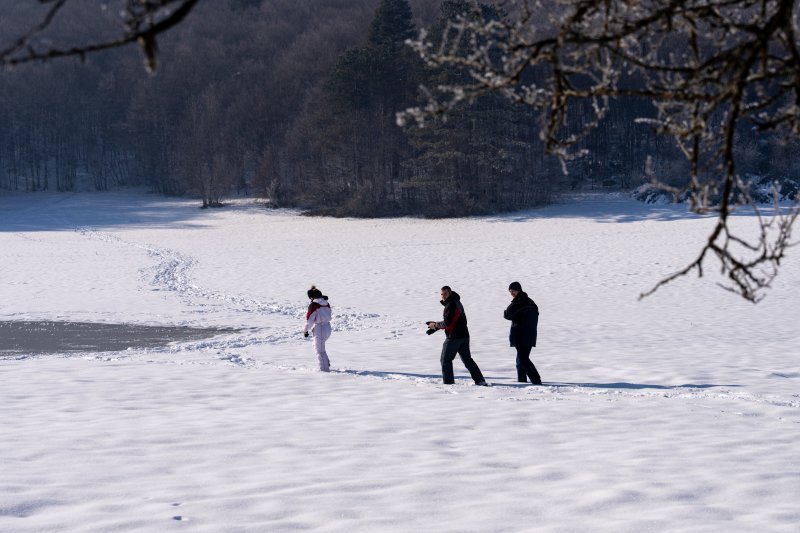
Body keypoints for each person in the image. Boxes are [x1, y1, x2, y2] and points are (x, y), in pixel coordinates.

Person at [427, 286, 488, 386]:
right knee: (467, 359)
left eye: (445, 294)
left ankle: (449, 384)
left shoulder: (451, 304)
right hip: (464, 336)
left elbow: (448, 323)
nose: (443, 296)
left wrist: (435, 325)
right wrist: (436, 328)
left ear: (450, 293)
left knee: (445, 360)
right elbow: (454, 321)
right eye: (442, 294)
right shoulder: (456, 302)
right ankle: (480, 380)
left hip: (454, 338)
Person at [503, 281, 542, 384]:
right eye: (510, 291)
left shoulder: (520, 301)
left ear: (518, 290)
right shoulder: (530, 302)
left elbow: (507, 314)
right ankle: (522, 381)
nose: (512, 293)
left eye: (513, 291)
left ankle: (536, 380)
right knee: (520, 361)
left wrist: (514, 303)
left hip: (521, 335)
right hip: (529, 335)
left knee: (523, 359)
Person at [303, 285, 332, 372]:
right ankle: (326, 364)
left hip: (320, 328)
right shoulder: (326, 303)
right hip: (327, 327)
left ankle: (324, 370)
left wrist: (305, 330)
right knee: (321, 348)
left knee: (319, 350)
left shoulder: (314, 305)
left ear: (312, 297)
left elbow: (310, 320)